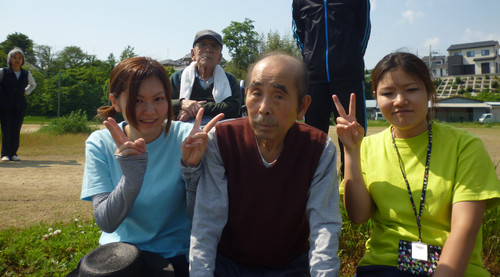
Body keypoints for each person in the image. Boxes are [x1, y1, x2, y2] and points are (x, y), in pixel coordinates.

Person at [333, 52, 500, 276]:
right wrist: (351, 151)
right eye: (388, 93)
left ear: (429, 91)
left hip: (454, 268)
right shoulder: (368, 147)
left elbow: (464, 229)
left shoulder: (465, 147)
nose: (400, 100)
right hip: (384, 266)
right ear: (375, 96)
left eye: (411, 90)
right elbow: (358, 216)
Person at [183, 52, 342, 276]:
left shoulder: (317, 147)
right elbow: (207, 221)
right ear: (245, 95)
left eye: (278, 96)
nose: (264, 108)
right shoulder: (222, 140)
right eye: (256, 93)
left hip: (290, 264)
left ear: (302, 106)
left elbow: (324, 226)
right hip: (229, 263)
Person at [75, 57, 222, 276]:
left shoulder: (189, 139)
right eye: (138, 101)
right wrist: (131, 179)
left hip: (177, 255)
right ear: (115, 101)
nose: (150, 111)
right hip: (119, 257)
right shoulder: (100, 143)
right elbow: (107, 222)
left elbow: (198, 216)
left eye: (159, 99)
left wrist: (191, 169)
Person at [292, 0, 371, 174]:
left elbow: (364, 30)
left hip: (348, 77)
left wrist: (352, 59)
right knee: (312, 138)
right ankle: (314, 185)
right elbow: (298, 32)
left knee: (352, 134)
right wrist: (310, 58)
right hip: (313, 78)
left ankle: (351, 186)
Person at [170, 29, 242, 125]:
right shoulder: (177, 78)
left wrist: (197, 108)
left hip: (220, 130)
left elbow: (234, 108)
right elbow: (163, 103)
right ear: (193, 54)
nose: (208, 50)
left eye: (214, 46)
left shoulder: (230, 80)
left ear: (219, 58)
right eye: (203, 45)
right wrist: (182, 104)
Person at [0, 47, 36, 162]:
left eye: (20, 58)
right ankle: (5, 154)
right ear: (10, 59)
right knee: (6, 129)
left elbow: (33, 85)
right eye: (14, 58)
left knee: (16, 129)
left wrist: (26, 91)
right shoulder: (3, 72)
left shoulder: (26, 73)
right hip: (5, 105)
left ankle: (13, 153)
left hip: (19, 105)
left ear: (23, 60)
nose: (17, 60)